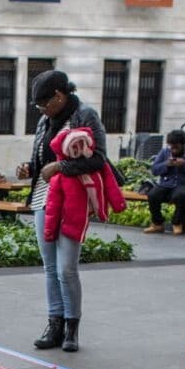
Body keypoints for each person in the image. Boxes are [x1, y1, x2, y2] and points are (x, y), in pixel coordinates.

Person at [22, 69, 108, 353]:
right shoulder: (45, 120)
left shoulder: (85, 115)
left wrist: (61, 167)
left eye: (45, 103)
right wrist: (30, 168)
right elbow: (42, 158)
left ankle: (72, 327)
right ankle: (54, 324)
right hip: (43, 196)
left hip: (72, 197)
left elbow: (99, 159)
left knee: (66, 268)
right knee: (49, 267)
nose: (43, 110)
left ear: (59, 95)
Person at [43, 128, 126, 251]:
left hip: (79, 217)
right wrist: (50, 232)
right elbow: (53, 206)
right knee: (58, 265)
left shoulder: (95, 164)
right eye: (74, 147)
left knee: (67, 267)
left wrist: (118, 204)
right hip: (68, 219)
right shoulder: (61, 176)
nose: (79, 150)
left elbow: (111, 184)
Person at [146, 129, 185, 236]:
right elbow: (154, 169)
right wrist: (166, 164)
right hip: (166, 184)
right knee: (152, 195)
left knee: (181, 195)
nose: (173, 150)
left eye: (176, 147)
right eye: (171, 147)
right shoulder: (165, 151)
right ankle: (157, 223)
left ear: (183, 145)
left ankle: (177, 223)